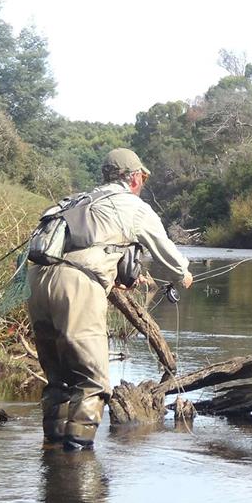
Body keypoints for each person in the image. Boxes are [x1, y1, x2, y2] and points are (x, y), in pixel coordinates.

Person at [27, 148, 193, 450]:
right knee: (93, 383)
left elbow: (87, 246)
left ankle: (52, 453)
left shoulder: (77, 201)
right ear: (132, 178)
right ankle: (77, 462)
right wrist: (183, 274)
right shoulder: (133, 206)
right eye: (141, 177)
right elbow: (165, 253)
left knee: (59, 380)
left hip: (37, 283)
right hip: (77, 287)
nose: (142, 182)